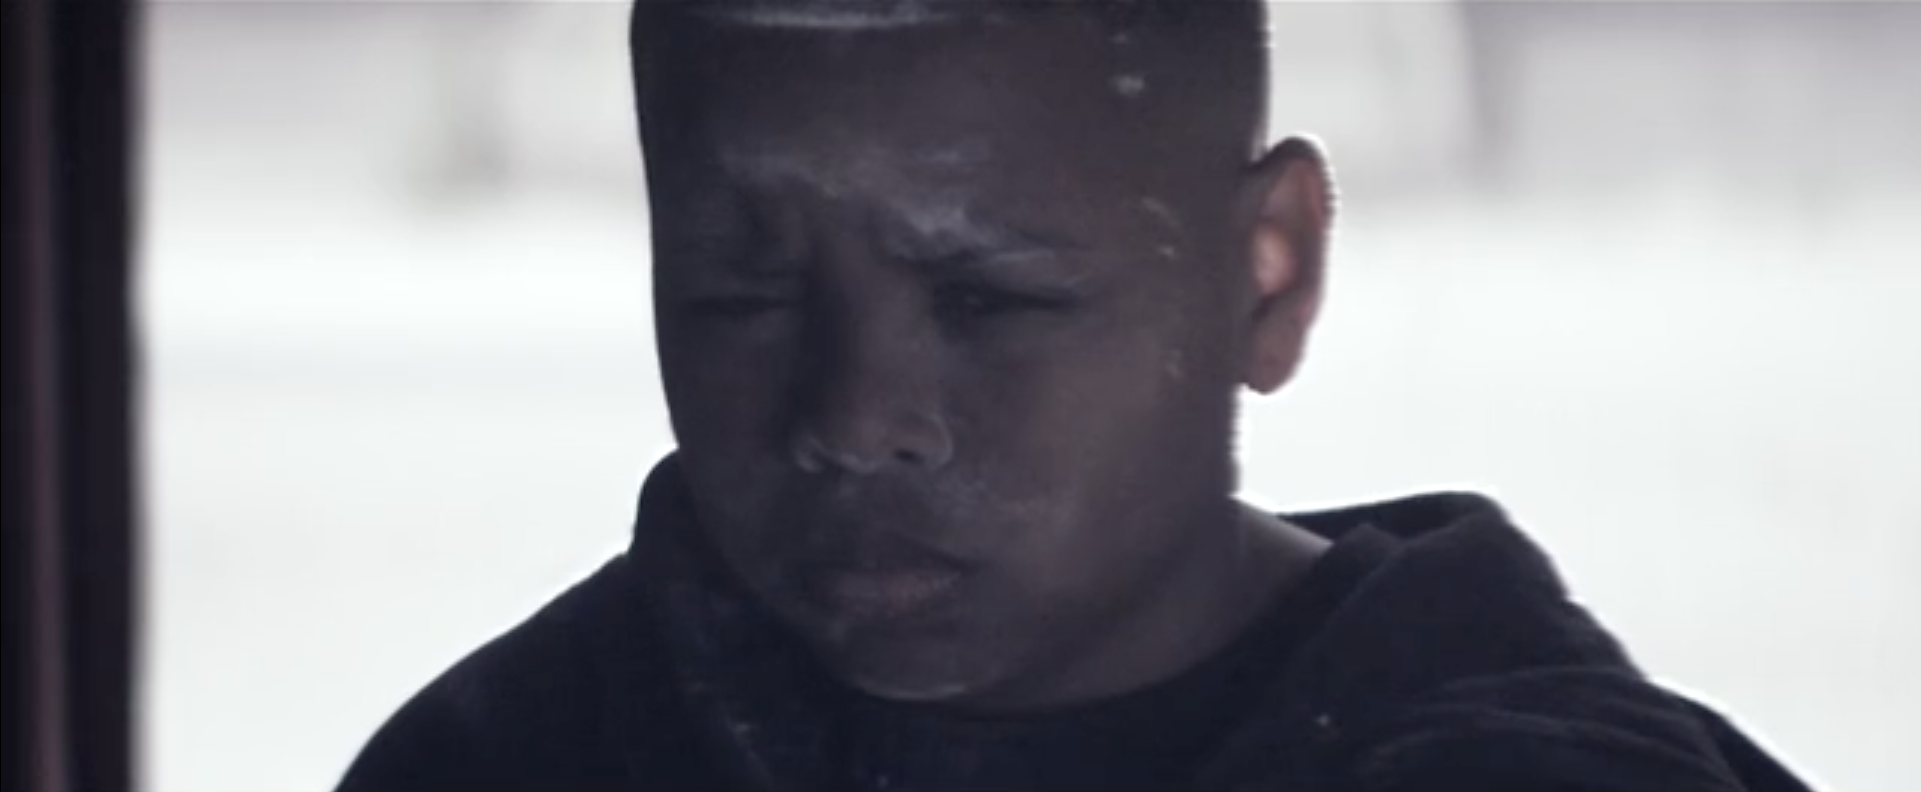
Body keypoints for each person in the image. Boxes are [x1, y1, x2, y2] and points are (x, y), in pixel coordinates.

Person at [338, 2, 1813, 789]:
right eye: (743, 294)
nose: (852, 417)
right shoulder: (512, 757)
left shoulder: (1529, 773)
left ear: (1268, 271)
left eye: (989, 298)